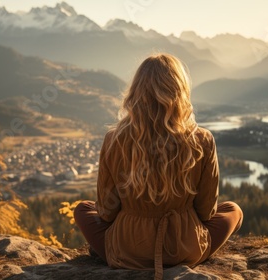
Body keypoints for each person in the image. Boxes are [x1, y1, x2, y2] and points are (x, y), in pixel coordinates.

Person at [74, 53, 243, 279]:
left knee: (83, 210)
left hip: (128, 251)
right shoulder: (202, 139)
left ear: (135, 92)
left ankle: (111, 250)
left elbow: (106, 212)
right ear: (180, 92)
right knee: (233, 210)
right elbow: (206, 211)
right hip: (185, 249)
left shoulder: (114, 140)